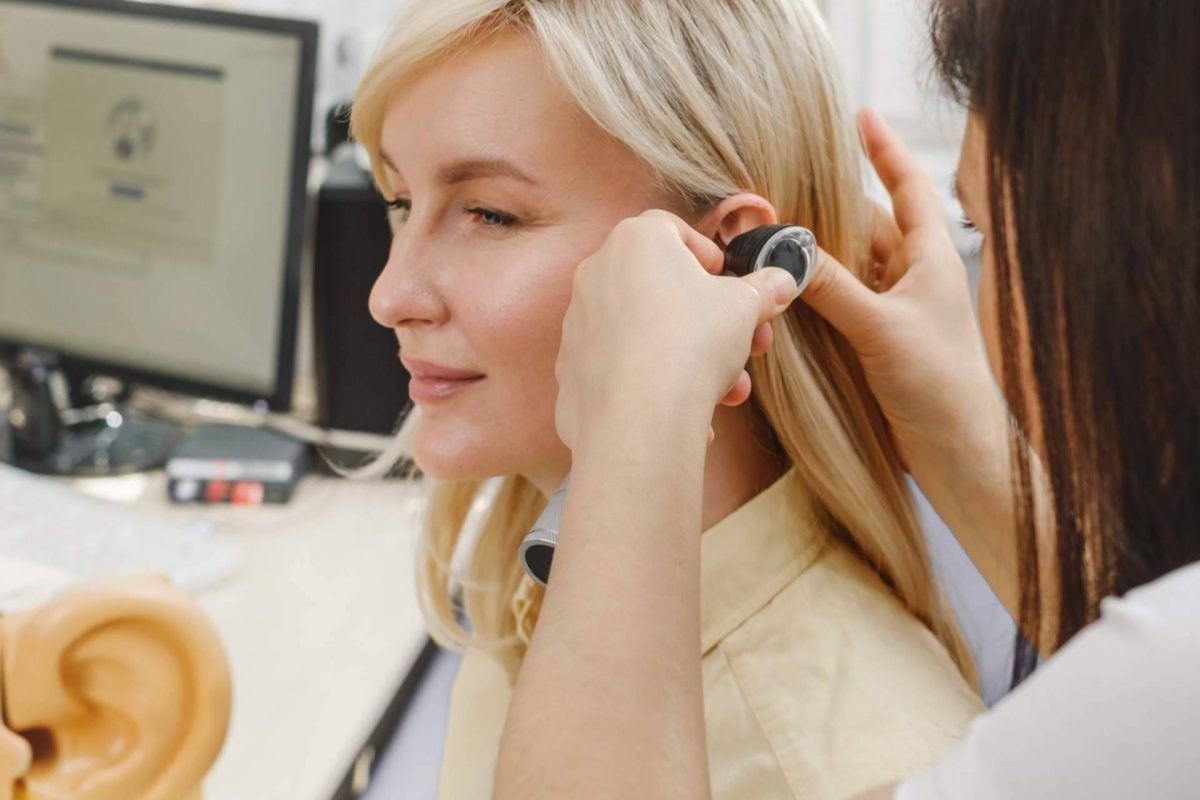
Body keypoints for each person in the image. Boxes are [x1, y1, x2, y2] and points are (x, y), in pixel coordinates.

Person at [493, 0, 1200, 798]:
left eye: (986, 232)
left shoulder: (843, 743)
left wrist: (632, 429)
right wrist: (964, 448)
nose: (393, 297)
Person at [348, 1, 987, 797]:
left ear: (726, 256)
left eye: (490, 214)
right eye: (401, 203)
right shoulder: (529, 593)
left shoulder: (834, 768)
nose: (389, 295)